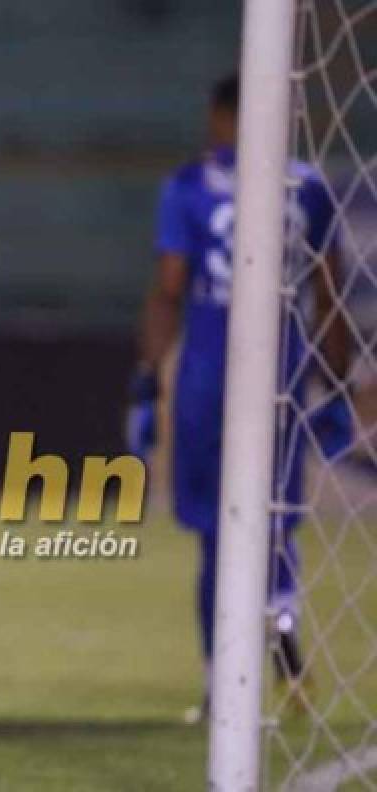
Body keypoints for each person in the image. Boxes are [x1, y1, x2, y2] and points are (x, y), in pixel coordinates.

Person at [129, 75, 349, 721]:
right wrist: (338, 380)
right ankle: (280, 617)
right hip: (280, 379)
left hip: (207, 379)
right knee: (275, 523)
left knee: (215, 535)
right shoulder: (306, 185)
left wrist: (147, 377)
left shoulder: (190, 186)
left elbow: (170, 288)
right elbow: (328, 289)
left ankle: (219, 679)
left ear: (221, 116)